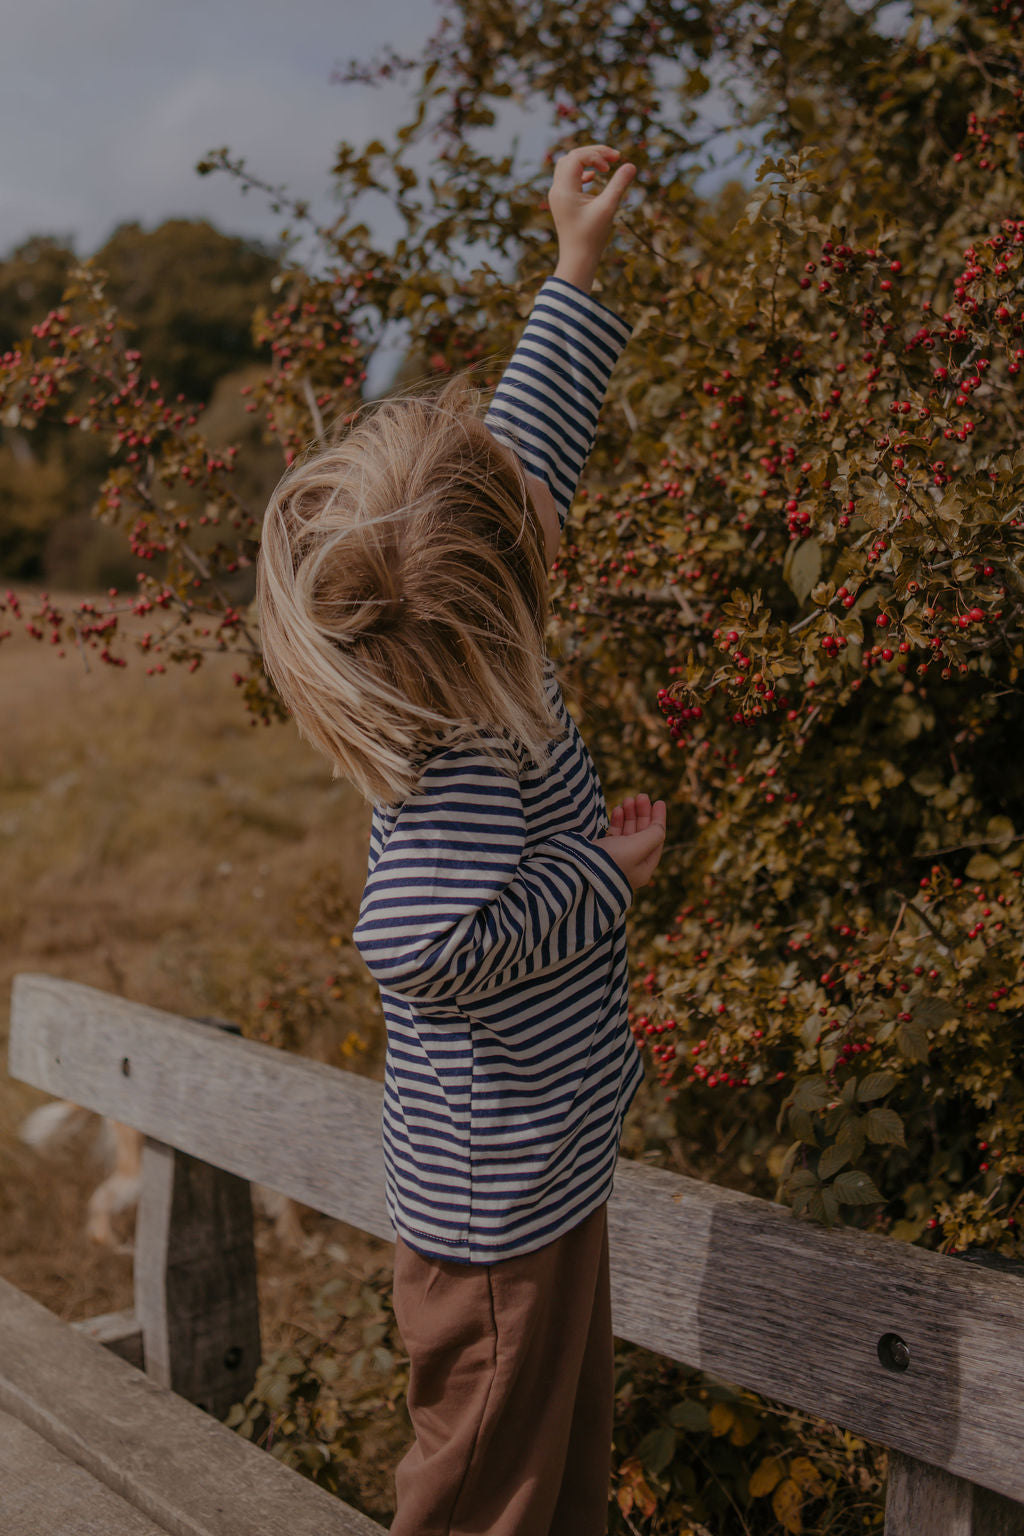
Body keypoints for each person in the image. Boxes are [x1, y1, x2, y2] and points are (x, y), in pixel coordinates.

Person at [257, 142, 667, 1536]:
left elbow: (526, 461)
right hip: (497, 1220)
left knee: (553, 1475)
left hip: (541, 1170)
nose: (543, 509)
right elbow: (423, 947)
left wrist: (574, 264)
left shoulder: (470, 615)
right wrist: (598, 878)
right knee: (486, 1491)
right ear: (488, 598)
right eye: (523, 526)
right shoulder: (458, 757)